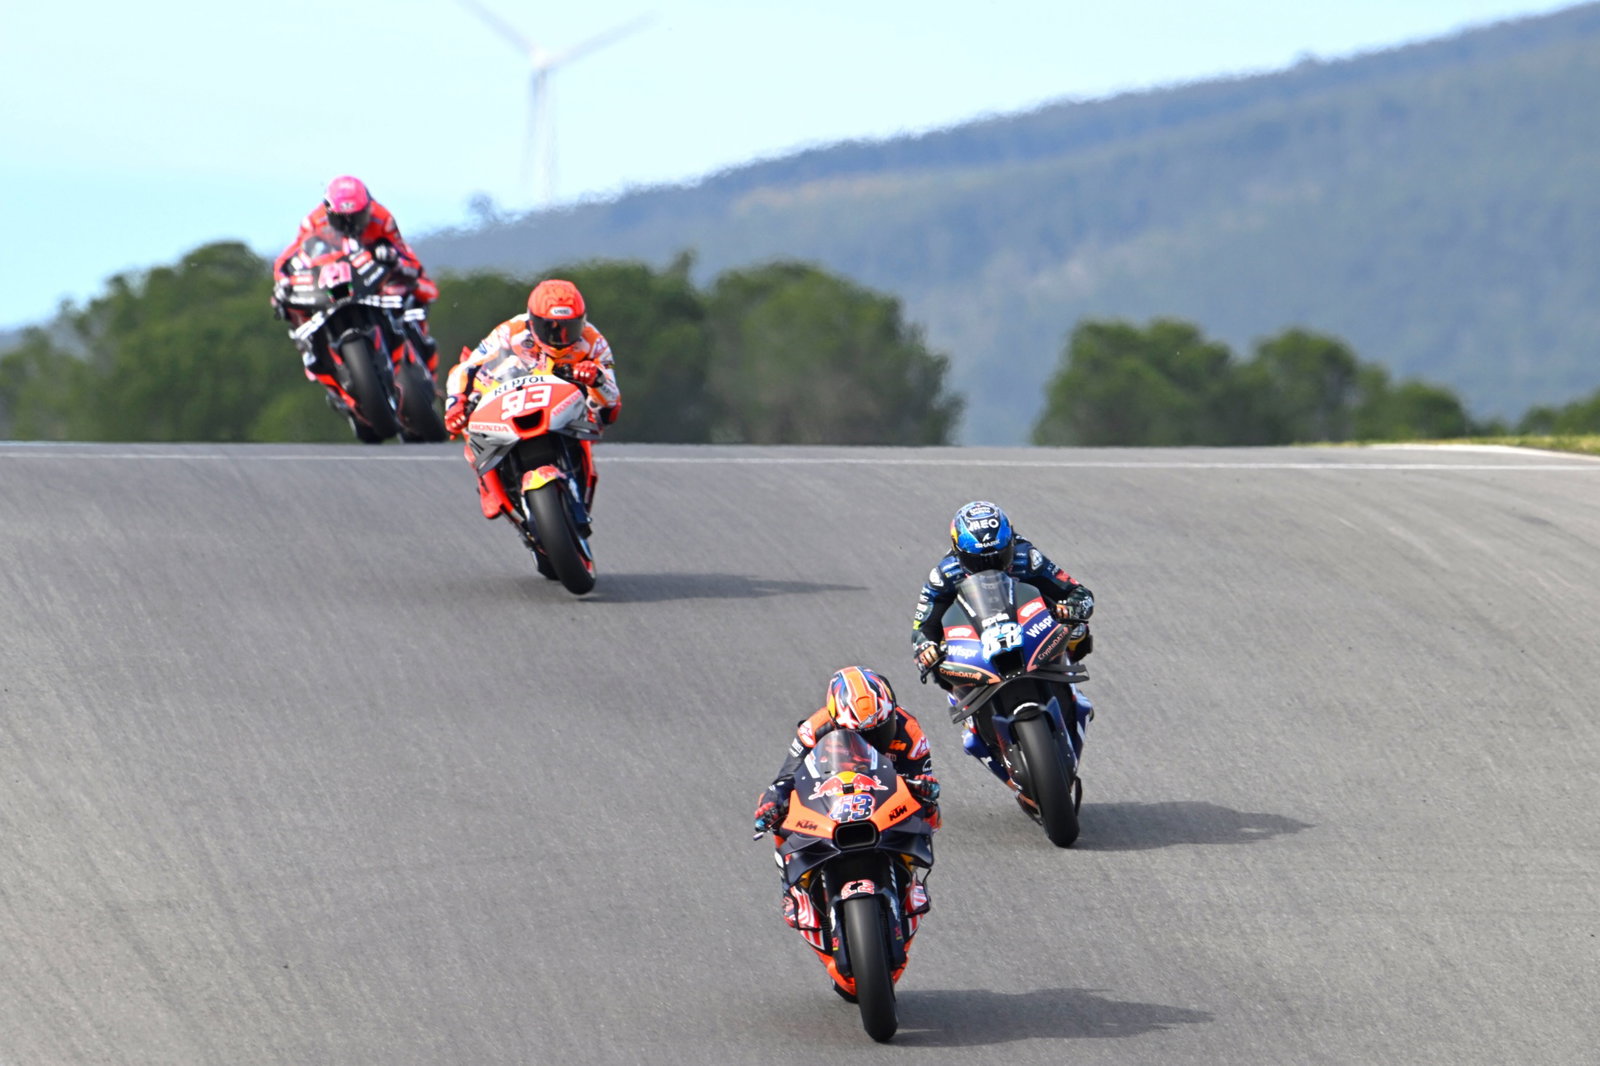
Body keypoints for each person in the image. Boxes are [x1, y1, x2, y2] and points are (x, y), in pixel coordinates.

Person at [752, 666, 939, 999]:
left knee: (931, 814)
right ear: (837, 721)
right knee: (780, 821)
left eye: (880, 729)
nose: (873, 739)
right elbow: (785, 778)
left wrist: (923, 787)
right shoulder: (814, 729)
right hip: (833, 807)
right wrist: (773, 800)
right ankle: (796, 893)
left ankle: (908, 878)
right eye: (862, 734)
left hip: (886, 804)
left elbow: (923, 777)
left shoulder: (909, 728)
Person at [910, 500, 1096, 782]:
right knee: (938, 667)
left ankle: (1066, 687)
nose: (988, 565)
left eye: (997, 557)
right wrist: (925, 646)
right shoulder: (944, 575)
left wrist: (1071, 608)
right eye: (977, 561)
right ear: (959, 553)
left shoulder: (1026, 556)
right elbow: (923, 625)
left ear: (1010, 542)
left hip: (1027, 628)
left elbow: (1078, 592)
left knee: (1079, 631)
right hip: (976, 642)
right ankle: (976, 720)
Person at [443, 278, 621, 537]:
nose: (560, 337)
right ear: (532, 321)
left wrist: (597, 378)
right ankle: (486, 479)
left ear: (582, 322)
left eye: (569, 328)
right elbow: (466, 367)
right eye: (550, 328)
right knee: (470, 405)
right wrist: (456, 403)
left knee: (607, 412)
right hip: (515, 394)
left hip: (564, 403)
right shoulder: (510, 330)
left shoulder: (594, 341)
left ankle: (576, 470)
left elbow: (612, 402)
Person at [270, 175, 440, 373]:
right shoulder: (313, 222)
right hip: (334, 278)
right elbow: (291, 256)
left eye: (358, 217)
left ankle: (419, 336)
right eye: (342, 219)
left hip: (373, 270)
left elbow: (407, 257)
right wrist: (282, 282)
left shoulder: (383, 219)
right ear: (330, 212)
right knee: (286, 302)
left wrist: (394, 259)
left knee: (424, 288)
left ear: (368, 207)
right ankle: (308, 347)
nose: (351, 224)